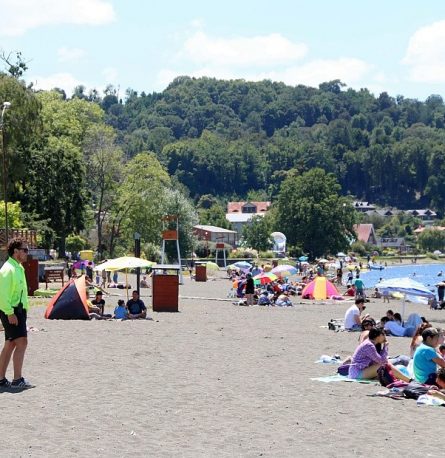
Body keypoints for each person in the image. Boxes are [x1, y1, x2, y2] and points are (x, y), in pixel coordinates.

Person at [0, 238, 32, 388]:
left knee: (10, 343)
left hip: (18, 311)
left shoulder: (18, 267)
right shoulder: (8, 269)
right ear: (16, 251)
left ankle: (0, 379)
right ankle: (17, 379)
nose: (27, 253)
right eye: (25, 250)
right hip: (12, 311)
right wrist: (9, 313)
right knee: (22, 342)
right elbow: (2, 294)